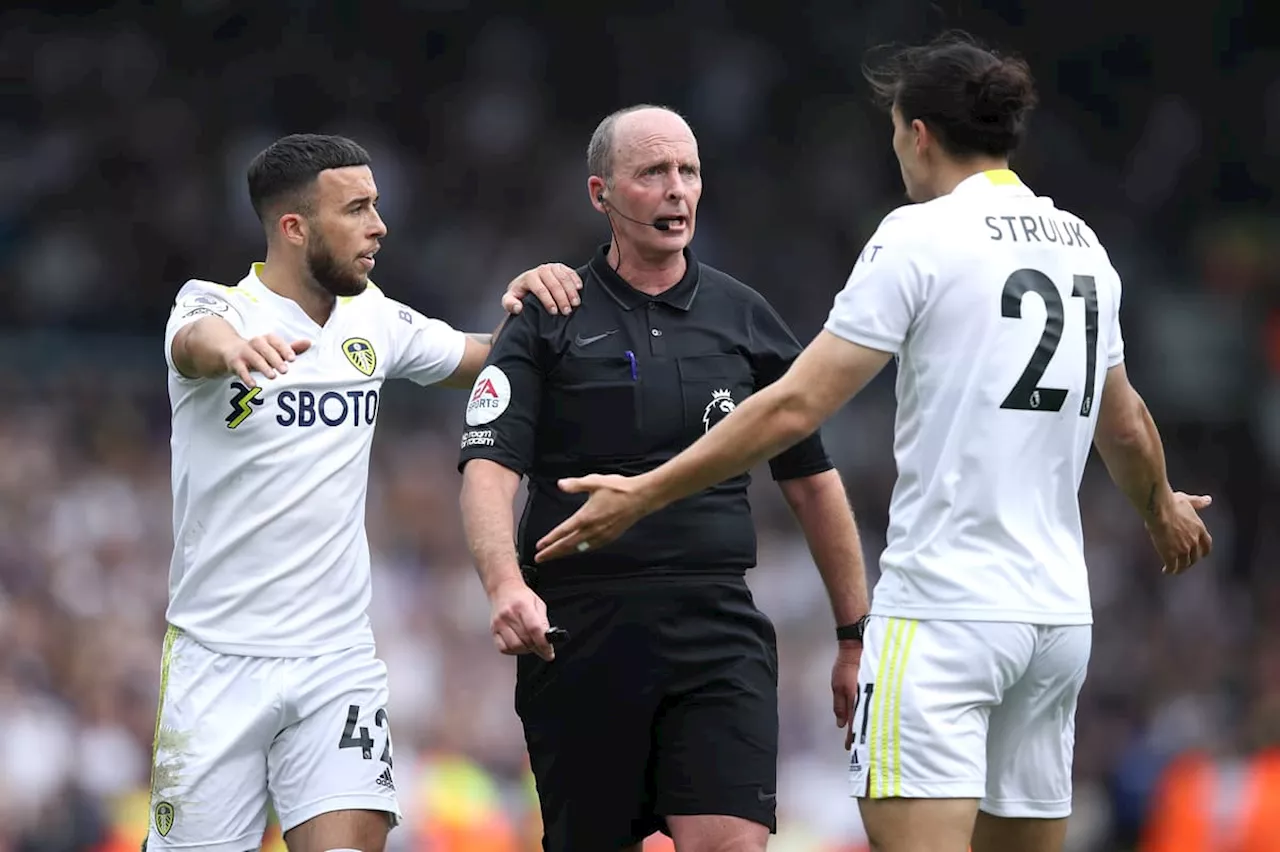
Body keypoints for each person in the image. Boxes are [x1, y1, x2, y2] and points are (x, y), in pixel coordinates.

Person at [532, 34, 1214, 852]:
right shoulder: (1082, 247)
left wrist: (644, 491)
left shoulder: (919, 237)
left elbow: (793, 407)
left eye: (895, 132)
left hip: (944, 615)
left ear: (919, 133)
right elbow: (1126, 420)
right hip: (1056, 625)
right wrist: (1161, 507)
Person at [149, 133, 578, 852]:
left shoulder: (373, 320)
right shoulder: (214, 306)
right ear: (294, 228)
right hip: (216, 662)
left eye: (376, 206)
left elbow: (487, 357)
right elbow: (196, 339)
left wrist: (531, 306)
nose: (379, 225)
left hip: (334, 660)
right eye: (357, 209)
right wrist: (235, 350)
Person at [457, 105, 870, 852]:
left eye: (689, 172)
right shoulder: (547, 315)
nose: (676, 190)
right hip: (580, 632)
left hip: (718, 628)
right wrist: (503, 586)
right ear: (600, 193)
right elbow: (489, 469)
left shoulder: (746, 318)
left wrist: (853, 634)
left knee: (734, 843)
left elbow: (812, 481)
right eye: (652, 173)